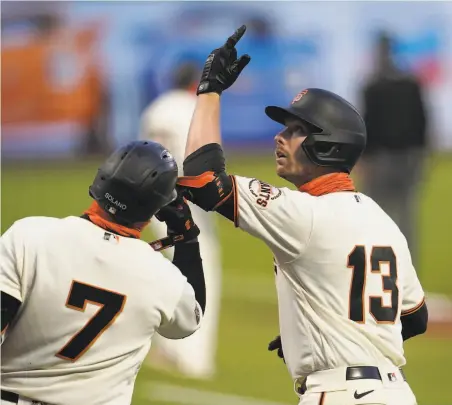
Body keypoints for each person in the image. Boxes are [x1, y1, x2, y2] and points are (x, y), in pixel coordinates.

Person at [177, 25, 428, 405]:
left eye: (295, 130)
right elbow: (414, 318)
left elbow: (202, 179)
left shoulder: (303, 213)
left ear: (327, 145)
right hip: (397, 393)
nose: (280, 137)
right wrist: (324, 325)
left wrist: (210, 91)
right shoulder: (381, 219)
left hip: (340, 394)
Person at [0, 140, 205, 405]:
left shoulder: (29, 236)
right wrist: (187, 240)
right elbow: (192, 317)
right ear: (157, 208)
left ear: (101, 178)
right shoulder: (163, 278)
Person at [139, 61, 221, 379]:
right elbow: (205, 159)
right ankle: (194, 360)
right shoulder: (195, 108)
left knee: (169, 273)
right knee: (202, 276)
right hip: (188, 201)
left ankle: (167, 349)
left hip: (155, 199)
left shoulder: (154, 109)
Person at [360, 31, 428, 270]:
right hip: (409, 157)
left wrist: (364, 161)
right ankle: (408, 269)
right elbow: (422, 121)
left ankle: (381, 267)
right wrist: (422, 157)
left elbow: (367, 126)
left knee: (378, 216)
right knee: (406, 215)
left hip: (381, 160)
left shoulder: (372, 85)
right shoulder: (410, 83)